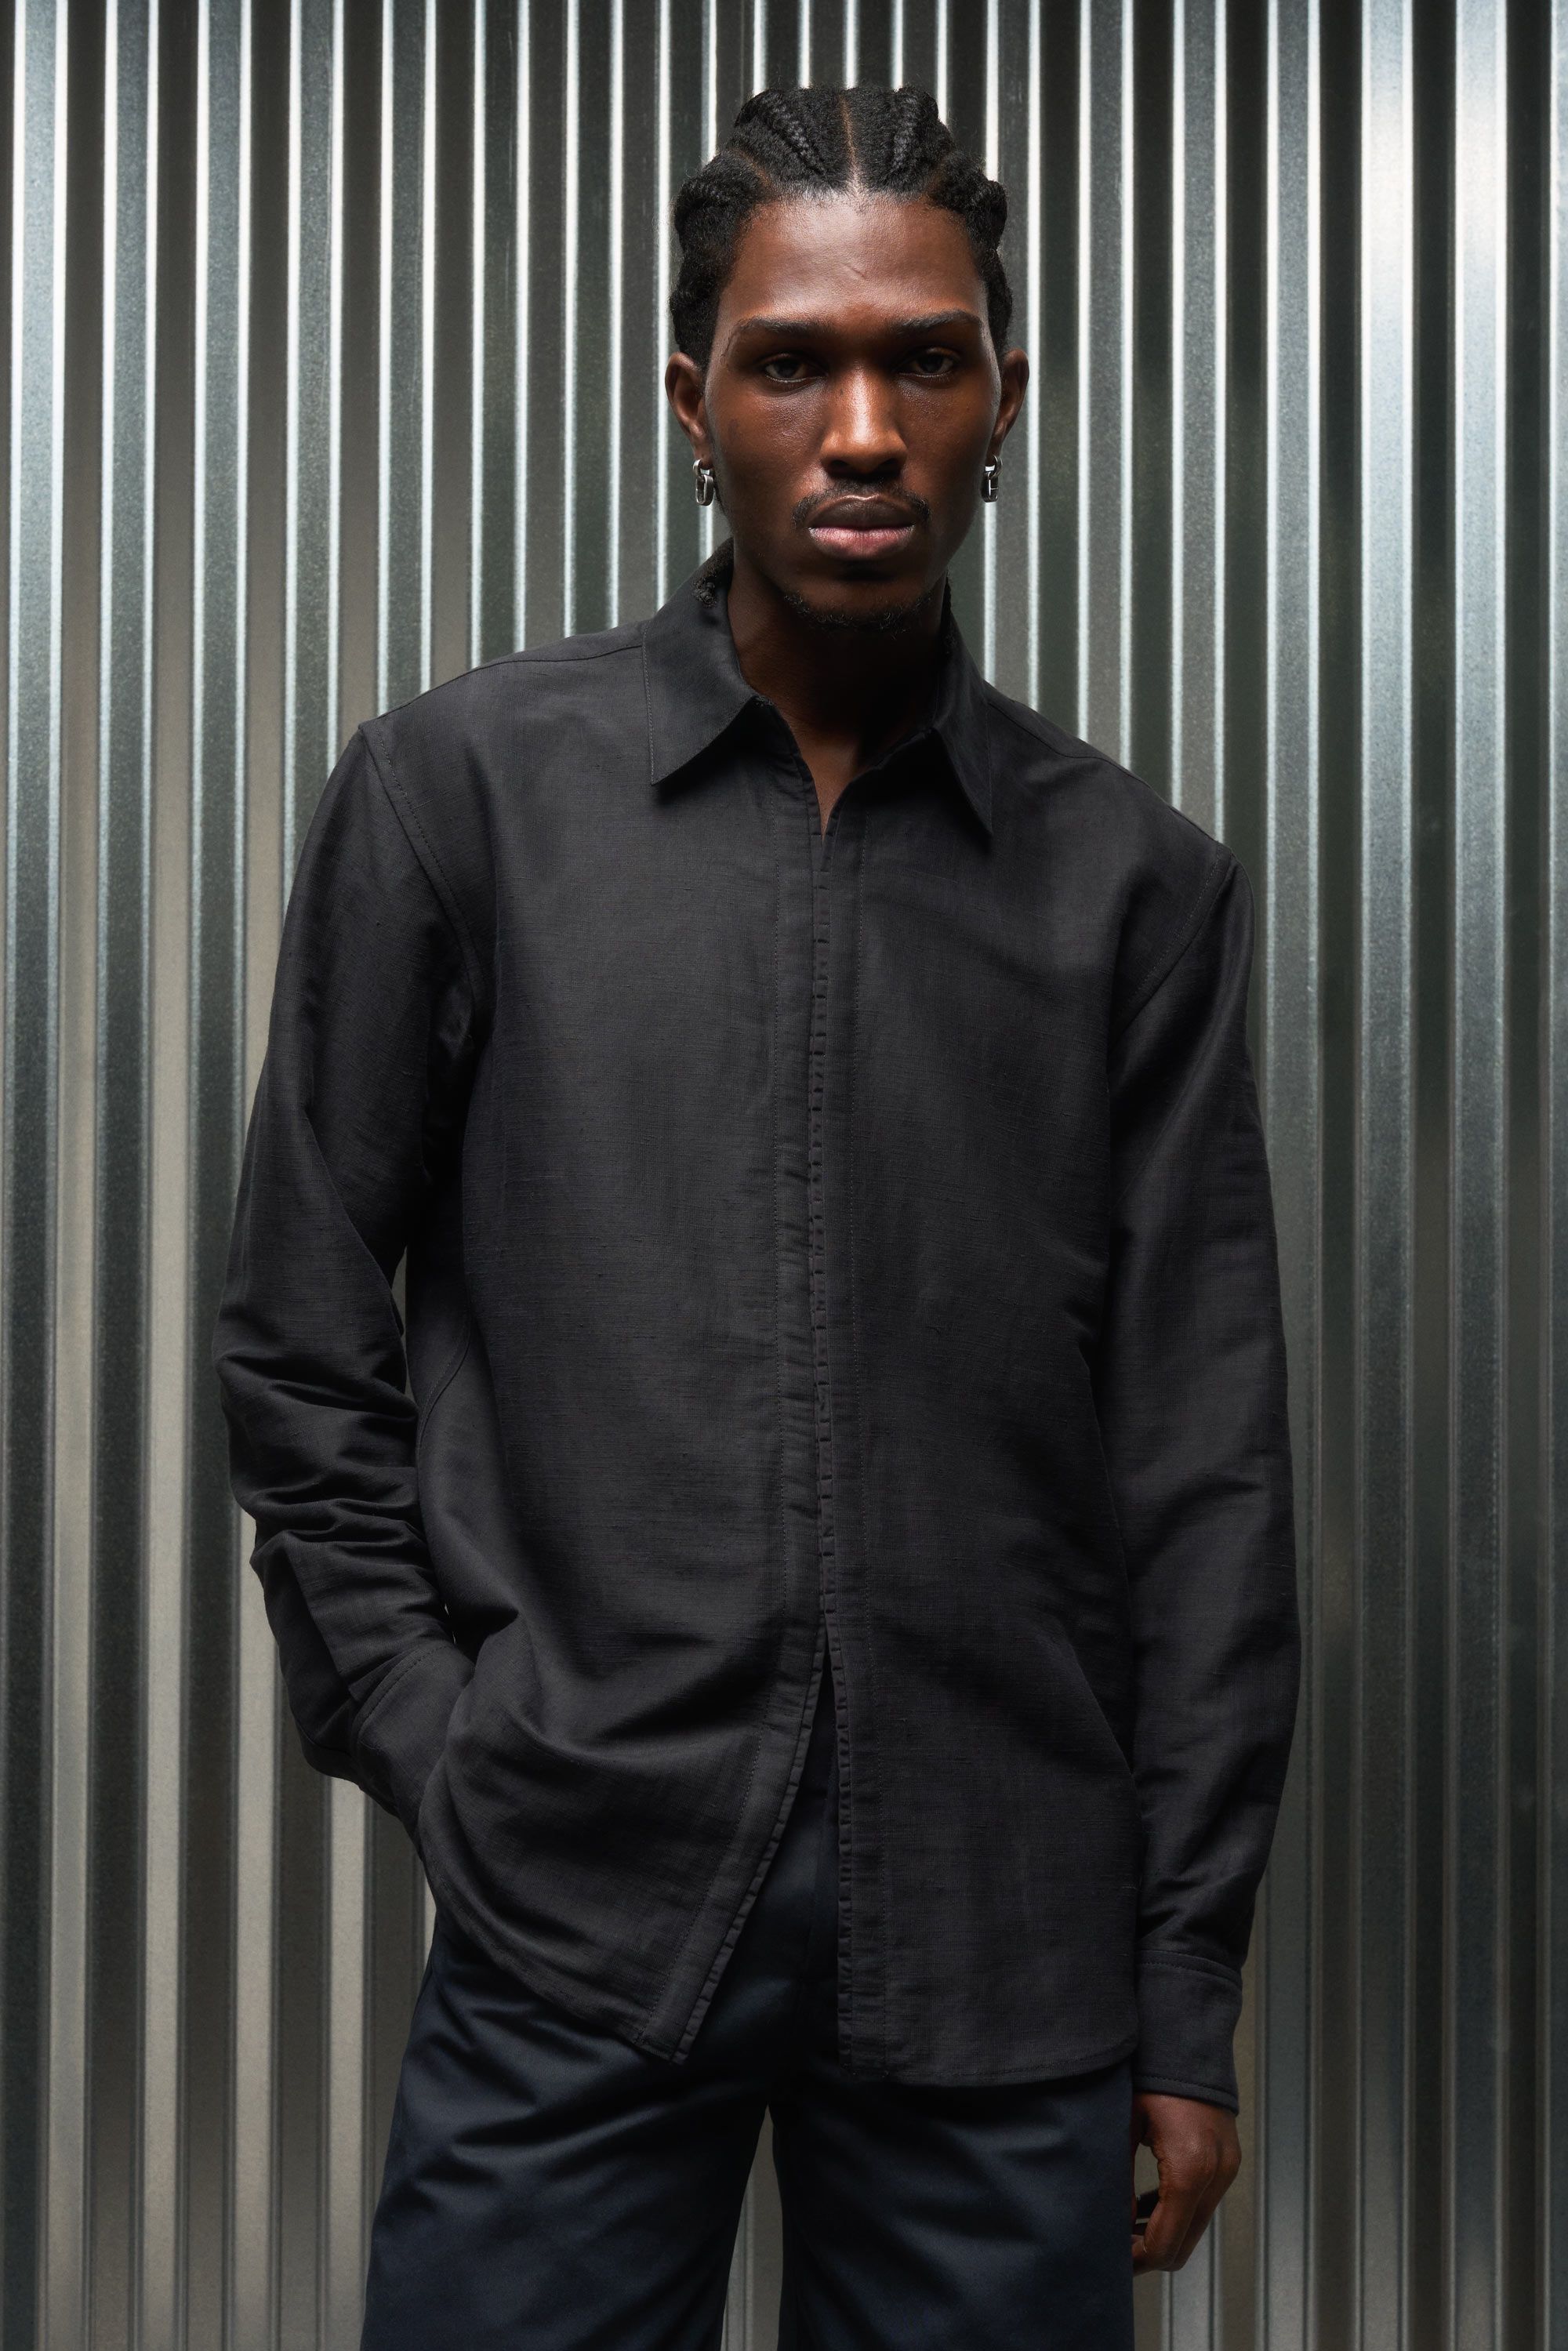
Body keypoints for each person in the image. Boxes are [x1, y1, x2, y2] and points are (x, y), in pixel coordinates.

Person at [214, 82, 1299, 2351]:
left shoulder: (1137, 890)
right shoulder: (458, 799)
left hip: (1006, 1948)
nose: (864, 430)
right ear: (690, 402)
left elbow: (1201, 1468)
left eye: (926, 360)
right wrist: (439, 1742)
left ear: (1008, 399)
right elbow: (298, 1340)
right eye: (794, 361)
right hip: (580, 1918)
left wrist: (1184, 1988)